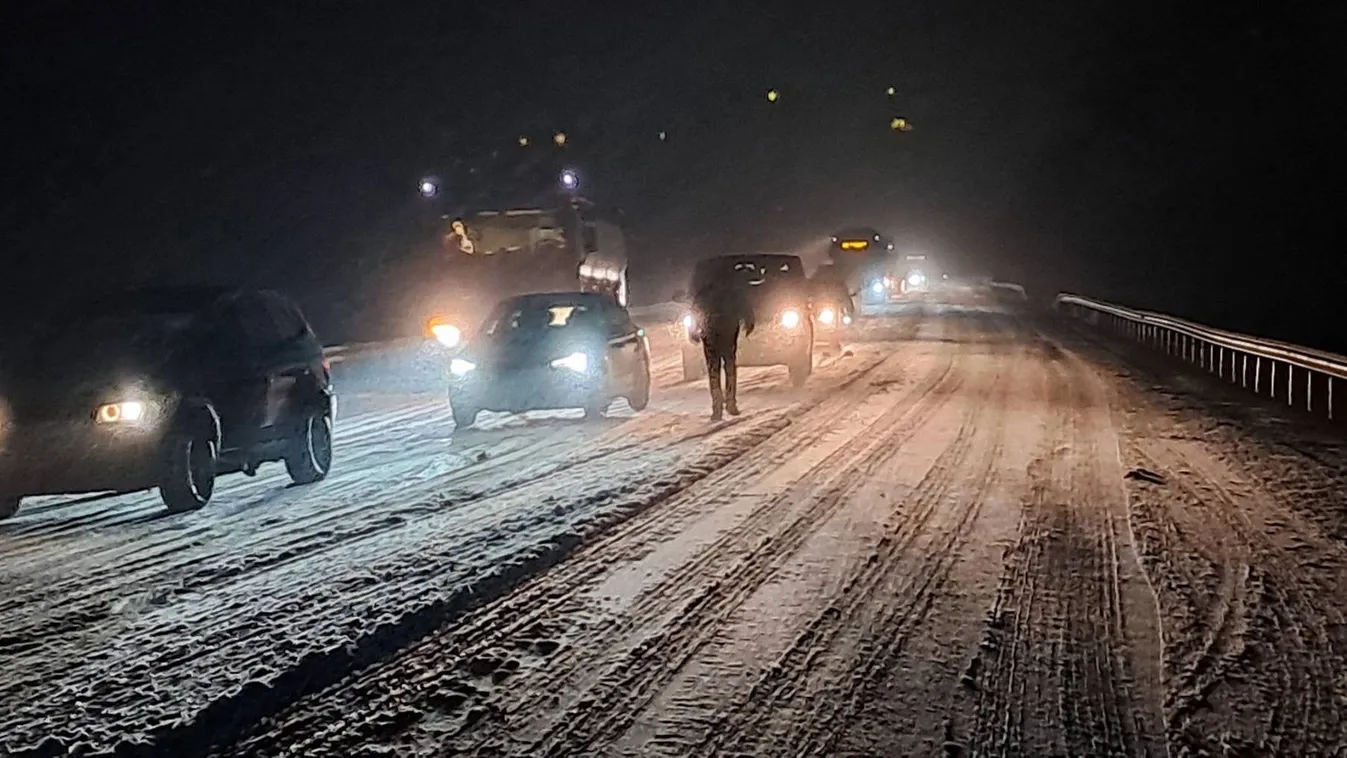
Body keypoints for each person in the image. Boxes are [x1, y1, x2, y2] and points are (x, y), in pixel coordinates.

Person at [691, 276, 755, 421]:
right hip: (728, 332)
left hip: (710, 334)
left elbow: (695, 312)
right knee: (729, 368)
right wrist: (749, 322)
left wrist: (694, 331)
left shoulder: (704, 294)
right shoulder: (732, 293)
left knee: (714, 370)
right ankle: (730, 403)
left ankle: (717, 407)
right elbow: (746, 308)